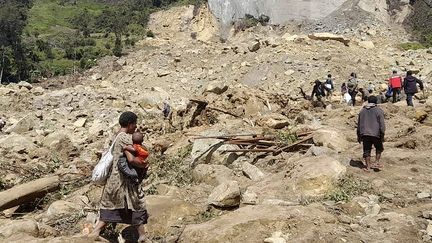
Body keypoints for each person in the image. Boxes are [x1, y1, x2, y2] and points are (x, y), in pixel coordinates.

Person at [90, 111, 150, 242]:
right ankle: (142, 236)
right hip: (123, 182)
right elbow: (133, 159)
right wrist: (144, 164)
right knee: (137, 203)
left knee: (111, 206)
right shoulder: (125, 138)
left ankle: (95, 232)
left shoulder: (116, 136)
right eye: (134, 124)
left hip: (114, 181)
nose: (135, 127)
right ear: (129, 124)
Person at [357, 96, 385, 172]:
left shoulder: (362, 111)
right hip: (376, 133)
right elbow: (382, 124)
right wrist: (382, 134)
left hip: (365, 134)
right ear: (376, 102)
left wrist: (358, 135)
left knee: (366, 150)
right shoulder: (378, 110)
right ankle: (376, 162)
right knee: (379, 148)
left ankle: (368, 167)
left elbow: (359, 124)